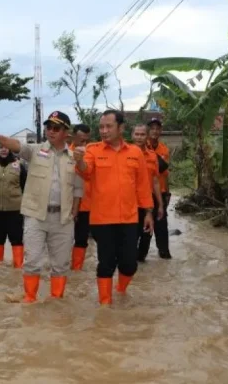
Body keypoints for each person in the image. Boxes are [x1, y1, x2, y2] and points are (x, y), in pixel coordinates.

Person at [0, 111, 84, 303]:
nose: (50, 131)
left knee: (61, 264)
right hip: (36, 216)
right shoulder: (36, 151)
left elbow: (78, 188)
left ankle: (57, 301)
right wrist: (1, 138)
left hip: (63, 218)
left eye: (56, 128)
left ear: (66, 133)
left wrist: (75, 212)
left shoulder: (74, 158)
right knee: (32, 261)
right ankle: (29, 300)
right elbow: (18, 146)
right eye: (48, 127)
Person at [74, 110, 154, 305]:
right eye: (101, 127)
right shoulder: (93, 150)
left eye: (108, 126)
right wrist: (79, 161)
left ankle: (120, 290)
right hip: (102, 219)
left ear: (121, 128)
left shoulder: (135, 153)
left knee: (129, 264)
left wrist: (148, 212)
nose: (104, 131)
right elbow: (86, 171)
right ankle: (105, 305)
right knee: (106, 263)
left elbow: (143, 185)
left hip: (129, 218)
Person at [0, 144, 27, 268]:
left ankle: (18, 267)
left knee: (17, 238)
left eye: (6, 147)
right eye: (0, 147)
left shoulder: (19, 165)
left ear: (10, 149)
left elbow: (26, 187)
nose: (3, 149)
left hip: (15, 210)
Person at [131, 124, 165, 262]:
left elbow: (156, 181)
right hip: (130, 201)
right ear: (132, 135)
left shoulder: (152, 156)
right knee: (131, 235)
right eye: (137, 134)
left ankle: (141, 261)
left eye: (142, 134)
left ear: (147, 136)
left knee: (146, 234)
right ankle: (129, 264)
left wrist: (161, 205)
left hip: (148, 201)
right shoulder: (125, 153)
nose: (139, 137)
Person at [148, 118, 172, 259]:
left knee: (162, 225)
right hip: (145, 193)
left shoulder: (164, 149)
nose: (155, 131)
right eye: (152, 128)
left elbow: (165, 173)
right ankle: (140, 255)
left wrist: (168, 193)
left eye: (158, 128)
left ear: (161, 131)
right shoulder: (141, 147)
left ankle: (164, 252)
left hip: (161, 193)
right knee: (143, 227)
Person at [70, 124, 92, 270]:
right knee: (61, 239)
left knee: (81, 238)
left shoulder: (93, 152)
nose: (83, 143)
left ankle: (77, 269)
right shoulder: (65, 152)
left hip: (88, 204)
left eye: (86, 140)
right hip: (67, 204)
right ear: (73, 137)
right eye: (80, 139)